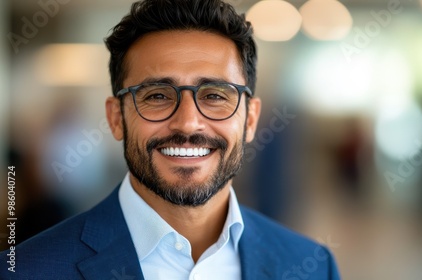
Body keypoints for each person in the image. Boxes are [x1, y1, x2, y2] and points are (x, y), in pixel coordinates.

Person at [1, 0, 341, 279]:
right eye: (158, 96)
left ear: (250, 119)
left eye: (215, 95)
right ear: (116, 118)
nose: (188, 122)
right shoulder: (24, 270)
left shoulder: (313, 265)